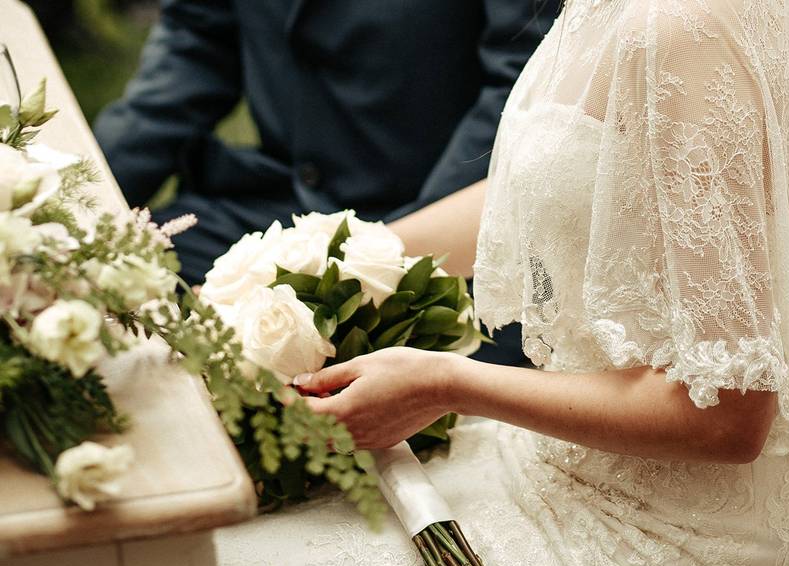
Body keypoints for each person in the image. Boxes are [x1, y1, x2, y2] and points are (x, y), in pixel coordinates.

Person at [214, 0, 789, 566]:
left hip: (687, 548)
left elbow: (728, 418)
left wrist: (444, 383)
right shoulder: (610, 9)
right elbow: (566, 184)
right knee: (228, 530)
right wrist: (328, 262)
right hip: (562, 467)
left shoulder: (686, 32)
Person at [94, 0, 559, 364]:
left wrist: (376, 269)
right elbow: (197, 40)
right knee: (102, 288)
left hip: (456, 239)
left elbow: (523, 86)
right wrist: (82, 200)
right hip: (278, 209)